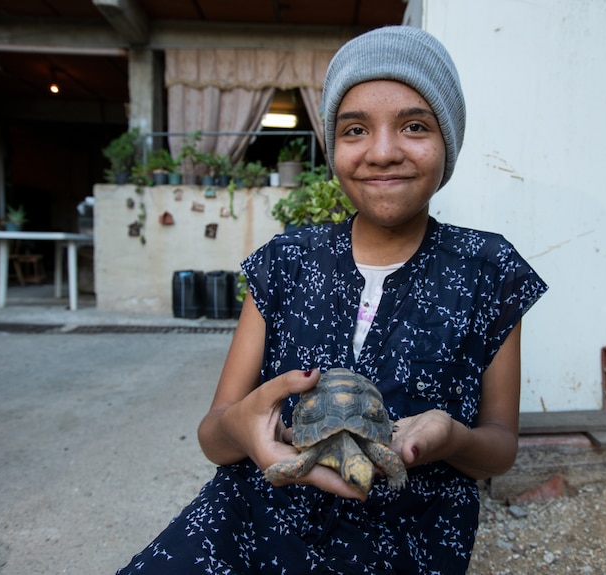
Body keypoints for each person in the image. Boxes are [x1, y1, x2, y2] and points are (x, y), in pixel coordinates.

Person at [116, 25, 547, 575]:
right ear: (332, 145)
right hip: (255, 518)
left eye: (414, 125)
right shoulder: (285, 262)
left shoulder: (489, 271)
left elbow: (500, 447)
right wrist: (241, 426)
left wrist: (454, 437)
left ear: (449, 139)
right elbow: (215, 435)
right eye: (354, 129)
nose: (383, 152)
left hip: (407, 533)